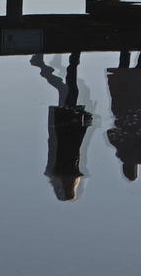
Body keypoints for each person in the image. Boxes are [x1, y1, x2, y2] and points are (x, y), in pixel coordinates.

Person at [33, 51, 93, 201]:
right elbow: (55, 144)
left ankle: (73, 58)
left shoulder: (70, 171)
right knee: (66, 89)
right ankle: (46, 65)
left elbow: (75, 144)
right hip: (60, 125)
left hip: (68, 124)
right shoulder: (54, 171)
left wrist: (85, 123)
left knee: (69, 89)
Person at [106, 50, 141, 181]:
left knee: (138, 79)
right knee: (122, 80)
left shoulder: (139, 155)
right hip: (121, 114)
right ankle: (125, 50)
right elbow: (110, 133)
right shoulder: (121, 153)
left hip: (137, 116)